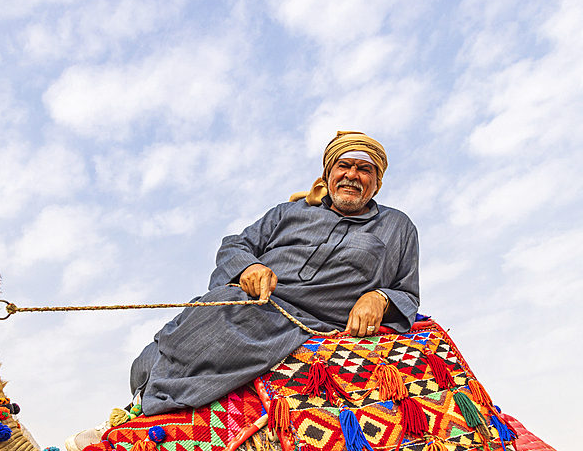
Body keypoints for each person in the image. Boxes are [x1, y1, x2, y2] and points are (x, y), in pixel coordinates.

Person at [129, 131, 419, 417]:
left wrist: (379, 298)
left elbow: (407, 291)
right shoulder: (288, 212)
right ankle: (139, 403)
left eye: (364, 170)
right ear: (329, 175)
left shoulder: (397, 226)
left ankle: (152, 406)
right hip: (255, 300)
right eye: (343, 166)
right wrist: (249, 267)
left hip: (308, 320)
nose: (352, 175)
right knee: (179, 332)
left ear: (377, 184)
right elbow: (235, 245)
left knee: (223, 320)